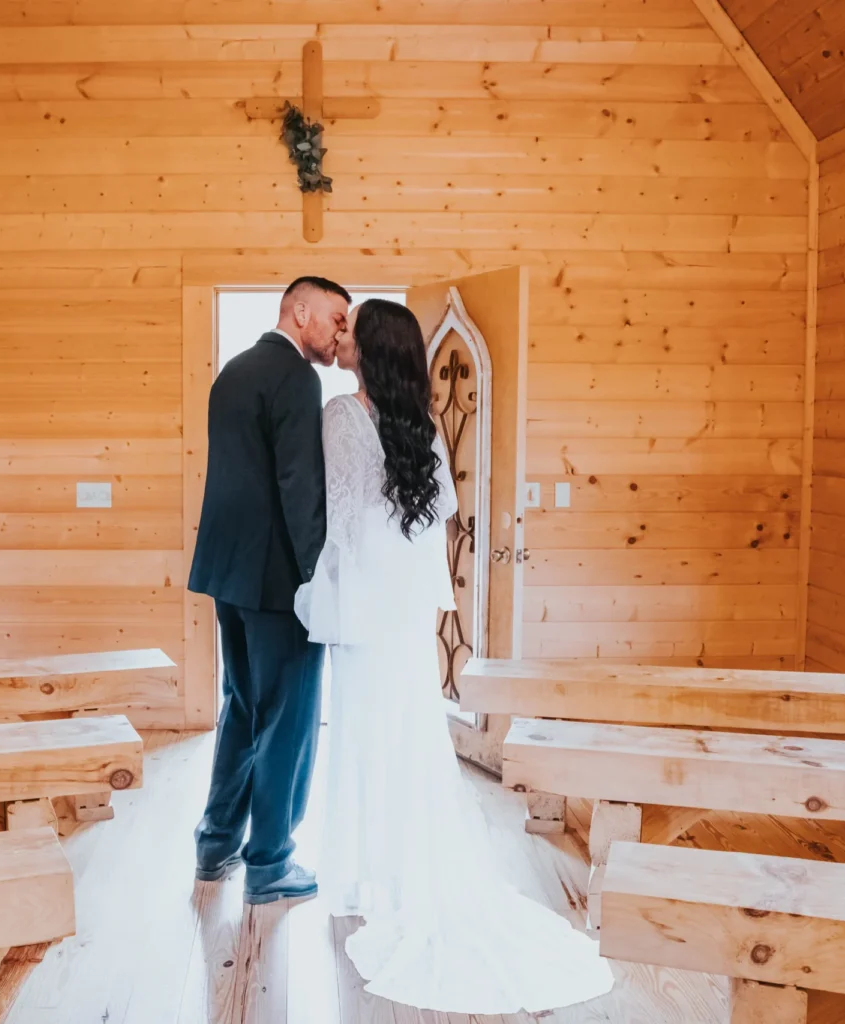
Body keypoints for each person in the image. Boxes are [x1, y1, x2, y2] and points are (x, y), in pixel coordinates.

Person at [294, 299, 615, 1013]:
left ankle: (368, 876)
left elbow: (343, 527)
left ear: (371, 353)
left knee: (366, 739)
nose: (339, 339)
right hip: (405, 618)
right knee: (408, 739)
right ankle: (401, 871)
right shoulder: (424, 429)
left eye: (349, 332)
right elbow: (434, 520)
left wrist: (312, 597)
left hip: (366, 617)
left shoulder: (343, 419)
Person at [187, 275, 352, 905]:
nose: (340, 332)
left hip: (227, 573)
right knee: (287, 719)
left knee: (242, 706)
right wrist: (320, 579)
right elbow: (299, 489)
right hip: (278, 580)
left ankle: (216, 840)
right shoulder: (296, 377)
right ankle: (270, 861)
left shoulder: (233, 370)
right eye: (335, 318)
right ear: (300, 311)